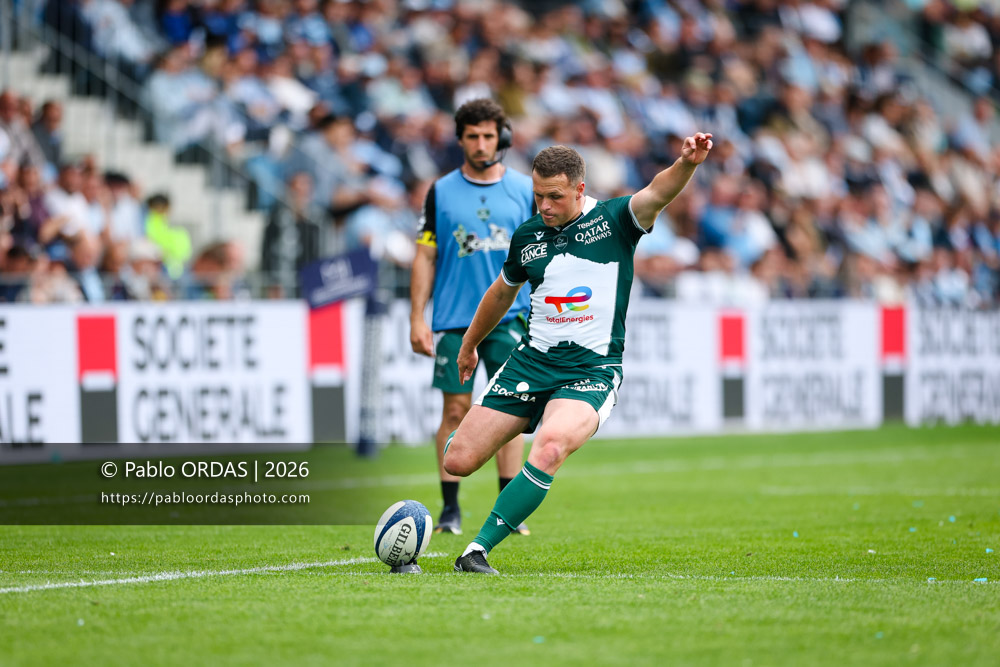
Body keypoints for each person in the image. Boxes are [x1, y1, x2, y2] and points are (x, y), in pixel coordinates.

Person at [445, 133, 714, 573]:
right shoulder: (528, 235)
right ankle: (528, 413)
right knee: (457, 461)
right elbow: (500, 293)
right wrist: (470, 344)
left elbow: (658, 191)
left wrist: (688, 163)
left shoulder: (615, 220)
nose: (545, 206)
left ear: (580, 189)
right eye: (537, 197)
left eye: (555, 197)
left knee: (550, 448)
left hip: (590, 370)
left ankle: (476, 550)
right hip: (530, 363)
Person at [409, 98, 535, 535]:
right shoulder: (440, 191)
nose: (481, 144)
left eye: (488, 135)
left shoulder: (524, 189)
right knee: (455, 410)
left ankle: (507, 511)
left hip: (512, 319)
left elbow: (541, 255)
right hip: (454, 322)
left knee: (510, 415)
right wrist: (416, 318)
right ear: (460, 139)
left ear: (500, 137)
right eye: (472, 136)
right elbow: (425, 257)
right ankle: (449, 511)